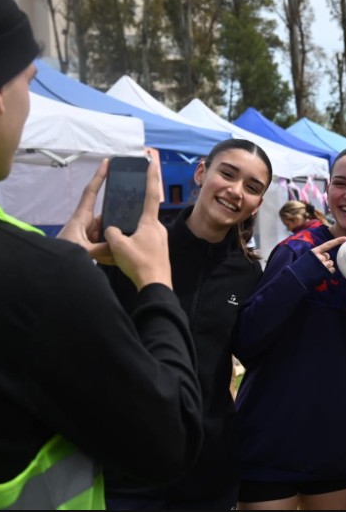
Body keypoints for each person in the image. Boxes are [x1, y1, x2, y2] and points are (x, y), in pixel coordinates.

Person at [0, 0, 202, 509]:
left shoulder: (37, 270)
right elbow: (170, 437)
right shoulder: (41, 279)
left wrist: (56, 260)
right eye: (29, 79)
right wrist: (157, 284)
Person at [102, 139, 273, 510]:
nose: (236, 191)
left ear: (258, 203)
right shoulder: (138, 246)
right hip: (129, 466)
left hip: (208, 469)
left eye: (252, 187)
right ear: (201, 172)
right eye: (227, 174)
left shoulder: (247, 274)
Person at [233, 143, 346, 510]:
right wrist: (300, 277)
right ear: (326, 192)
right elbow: (247, 340)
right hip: (269, 449)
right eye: (340, 183)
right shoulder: (297, 252)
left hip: (337, 451)